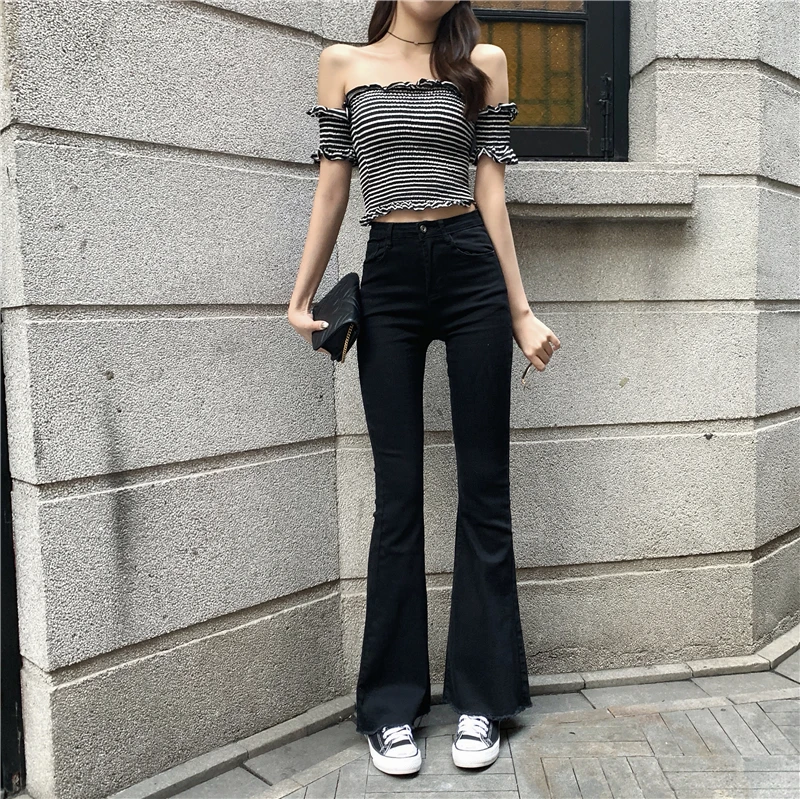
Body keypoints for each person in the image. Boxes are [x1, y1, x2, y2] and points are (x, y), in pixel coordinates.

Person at [288, 0, 560, 777]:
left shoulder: (485, 63)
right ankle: (390, 706)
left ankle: (482, 698)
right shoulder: (343, 64)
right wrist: (299, 294)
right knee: (398, 496)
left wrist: (520, 311)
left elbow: (491, 194)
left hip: (471, 268)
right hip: (391, 273)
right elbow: (334, 187)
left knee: (484, 486)